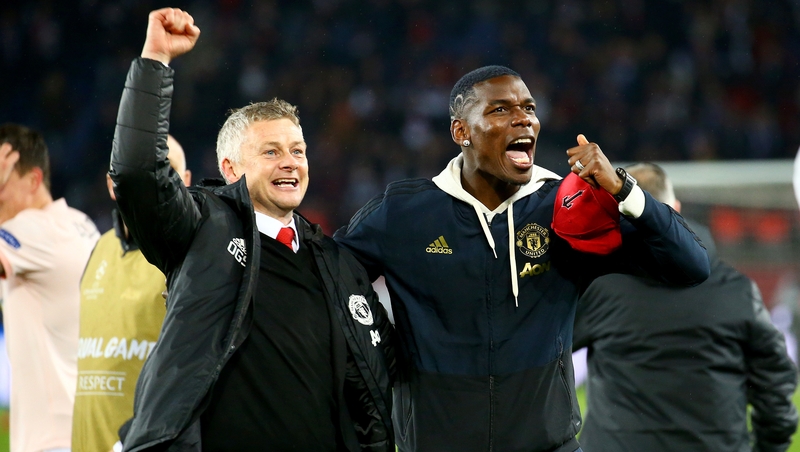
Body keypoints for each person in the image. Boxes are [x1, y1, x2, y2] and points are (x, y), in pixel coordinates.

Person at [334, 66, 711, 452]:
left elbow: (692, 266)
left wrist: (623, 188)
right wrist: (380, 341)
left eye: (529, 108)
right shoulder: (405, 213)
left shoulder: (567, 208)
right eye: (500, 109)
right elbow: (330, 280)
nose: (523, 119)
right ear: (461, 132)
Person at [109, 8, 395, 451]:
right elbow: (136, 172)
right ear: (230, 169)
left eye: (298, 151)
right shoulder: (202, 228)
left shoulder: (338, 264)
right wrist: (155, 60)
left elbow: (374, 379)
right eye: (271, 152)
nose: (290, 162)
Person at [572, 162, 798, 452]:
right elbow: (775, 383)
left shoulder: (598, 289)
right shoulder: (738, 290)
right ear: (676, 209)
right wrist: (769, 446)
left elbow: (545, 356)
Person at [72, 135, 191, 452]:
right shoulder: (100, 247)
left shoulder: (188, 256)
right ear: (112, 184)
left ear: (186, 182)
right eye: (142, 170)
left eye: (168, 170)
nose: (156, 182)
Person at [0, 124, 100, 452]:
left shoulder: (31, 229)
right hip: (85, 430)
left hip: (50, 440)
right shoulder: (81, 223)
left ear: (33, 180)